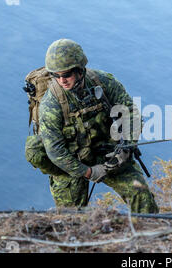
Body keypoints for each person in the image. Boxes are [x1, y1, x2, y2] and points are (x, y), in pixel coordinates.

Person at [38, 38, 159, 213]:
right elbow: (55, 150)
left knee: (142, 199)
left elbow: (131, 112)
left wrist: (126, 146)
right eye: (56, 76)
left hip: (109, 153)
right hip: (72, 162)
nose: (62, 80)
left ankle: (148, 236)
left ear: (80, 71)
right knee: (70, 217)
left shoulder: (103, 82)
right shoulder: (51, 104)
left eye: (66, 74)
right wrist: (88, 172)